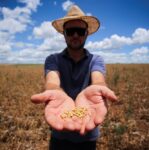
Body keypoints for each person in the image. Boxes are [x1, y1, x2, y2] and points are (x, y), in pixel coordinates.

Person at [31, 5, 117, 150]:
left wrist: (99, 87)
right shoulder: (53, 59)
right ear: (64, 34)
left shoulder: (96, 60)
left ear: (87, 33)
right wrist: (55, 91)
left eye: (80, 31)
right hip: (60, 132)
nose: (75, 35)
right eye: (70, 31)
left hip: (88, 133)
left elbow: (98, 80)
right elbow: (52, 82)